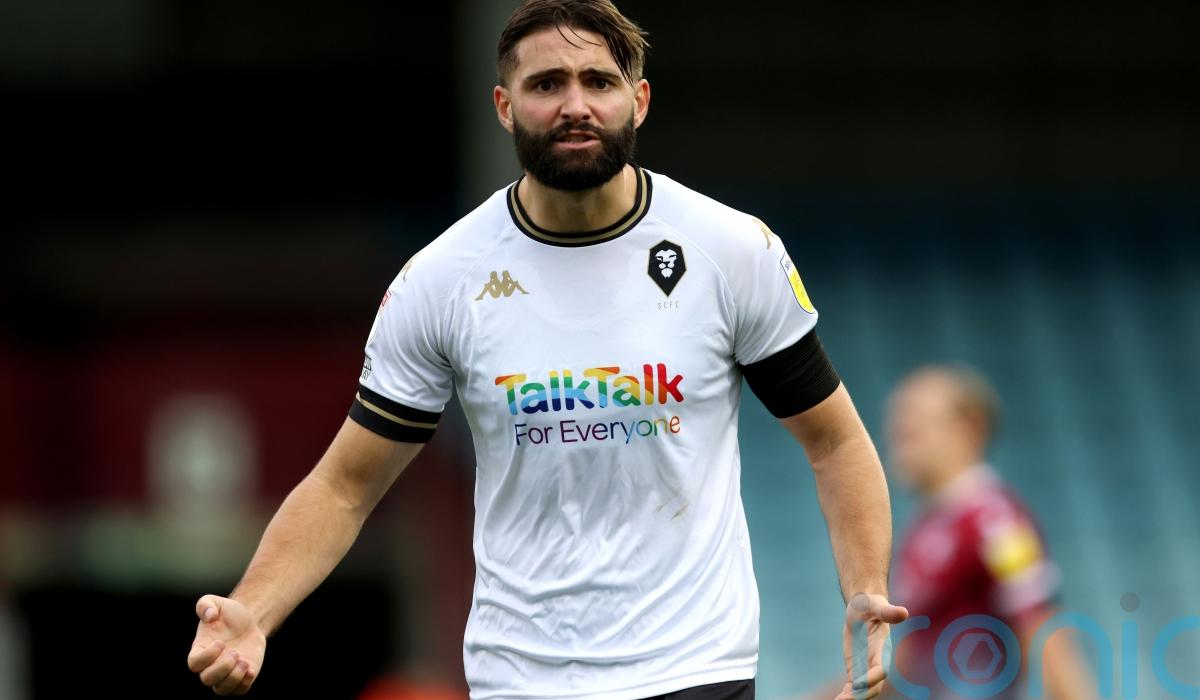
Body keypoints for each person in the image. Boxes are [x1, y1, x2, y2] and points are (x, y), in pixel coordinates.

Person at [186, 1, 906, 698]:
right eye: (547, 84)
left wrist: (866, 590)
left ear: (639, 100)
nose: (575, 105)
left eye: (598, 82)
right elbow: (346, 486)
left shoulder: (729, 251)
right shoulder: (441, 279)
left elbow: (835, 443)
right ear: (504, 106)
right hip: (522, 676)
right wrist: (256, 608)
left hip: (695, 670)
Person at [802, 366, 1094, 700]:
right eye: (896, 428)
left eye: (914, 427)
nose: (897, 436)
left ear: (968, 429)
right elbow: (906, 667)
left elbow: (1046, 638)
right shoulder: (927, 529)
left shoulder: (996, 522)